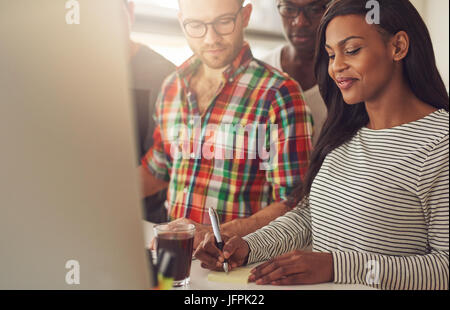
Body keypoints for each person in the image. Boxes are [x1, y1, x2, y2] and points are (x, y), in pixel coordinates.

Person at [194, 0, 449, 290]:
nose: (336, 67)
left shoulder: (440, 144)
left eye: (351, 50)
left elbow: (446, 266)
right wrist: (247, 247)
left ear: (398, 46)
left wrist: (334, 266)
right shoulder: (344, 132)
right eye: (330, 55)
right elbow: (307, 217)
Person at [140, 0, 313, 246]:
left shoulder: (279, 94)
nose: (211, 38)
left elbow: (295, 204)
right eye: (196, 25)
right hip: (175, 259)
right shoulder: (172, 86)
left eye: (223, 22)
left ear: (245, 16)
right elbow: (158, 169)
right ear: (182, 22)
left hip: (238, 266)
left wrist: (213, 233)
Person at [122, 0, 176, 223]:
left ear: (130, 11)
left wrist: (97, 196)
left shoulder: (165, 76)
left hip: (143, 221)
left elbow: (165, 168)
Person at [261, 0, 329, 146]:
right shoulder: (261, 73)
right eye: (289, 9)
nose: (300, 22)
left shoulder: (347, 77)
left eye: (314, 9)